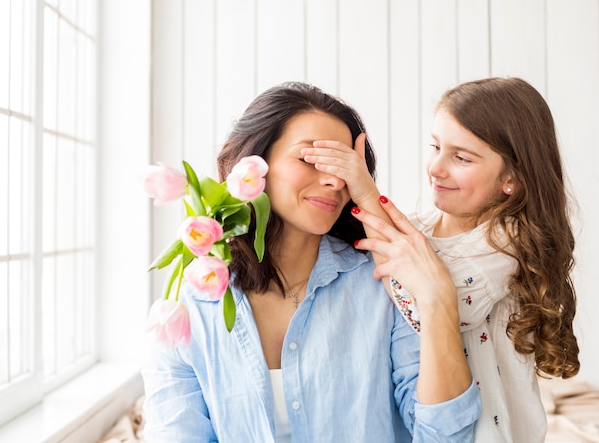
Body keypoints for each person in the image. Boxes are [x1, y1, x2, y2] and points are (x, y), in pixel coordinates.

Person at [141, 81, 481, 442]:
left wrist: (438, 297)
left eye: (345, 165)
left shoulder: (382, 286)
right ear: (254, 165)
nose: (334, 180)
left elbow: (443, 434)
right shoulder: (191, 305)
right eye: (309, 159)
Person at [302, 76, 580, 443]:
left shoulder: (507, 244)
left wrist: (366, 193)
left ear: (511, 178)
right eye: (435, 146)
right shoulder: (418, 229)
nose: (436, 167)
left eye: (461, 157)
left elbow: (425, 304)